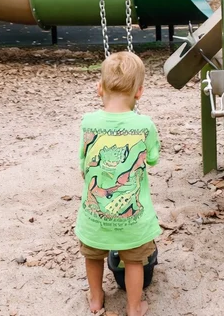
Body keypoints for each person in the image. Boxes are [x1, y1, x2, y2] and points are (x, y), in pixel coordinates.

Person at [76, 52, 161, 316]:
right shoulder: (145, 125)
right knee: (134, 261)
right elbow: (153, 159)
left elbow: (84, 163)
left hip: (94, 216)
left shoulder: (88, 122)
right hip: (133, 220)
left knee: (93, 256)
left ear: (99, 88)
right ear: (140, 93)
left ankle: (96, 298)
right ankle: (134, 307)